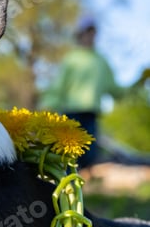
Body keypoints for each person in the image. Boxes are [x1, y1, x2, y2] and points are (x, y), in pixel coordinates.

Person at [40, 15, 123, 168]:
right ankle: (67, 184)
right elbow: (59, 86)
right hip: (71, 113)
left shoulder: (101, 61)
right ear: (80, 34)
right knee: (67, 153)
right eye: (87, 32)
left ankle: (81, 186)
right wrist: (47, 107)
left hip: (91, 114)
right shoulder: (72, 58)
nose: (90, 36)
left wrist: (139, 82)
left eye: (92, 33)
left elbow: (115, 89)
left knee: (89, 154)